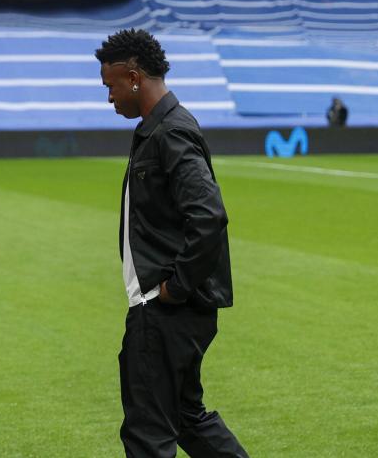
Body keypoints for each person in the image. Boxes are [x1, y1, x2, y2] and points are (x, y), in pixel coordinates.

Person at [96, 29, 248, 458]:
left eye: (110, 85)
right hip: (174, 311)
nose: (109, 97)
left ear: (133, 77)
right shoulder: (162, 128)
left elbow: (208, 215)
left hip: (164, 310)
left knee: (148, 434)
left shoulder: (170, 132)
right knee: (185, 418)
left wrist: (175, 288)